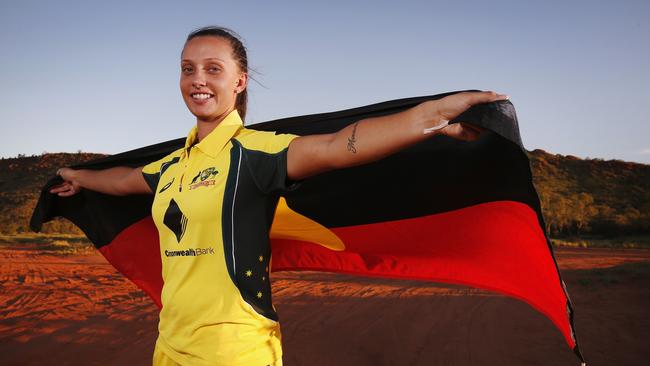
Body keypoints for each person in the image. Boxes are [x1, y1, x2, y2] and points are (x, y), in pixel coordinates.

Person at [50, 26, 508, 366]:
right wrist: (80, 177)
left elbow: (337, 146)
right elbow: (127, 180)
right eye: (188, 69)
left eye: (213, 68)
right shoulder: (171, 166)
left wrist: (428, 116)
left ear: (240, 81)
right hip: (169, 344)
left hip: (235, 350)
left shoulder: (254, 154)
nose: (197, 79)